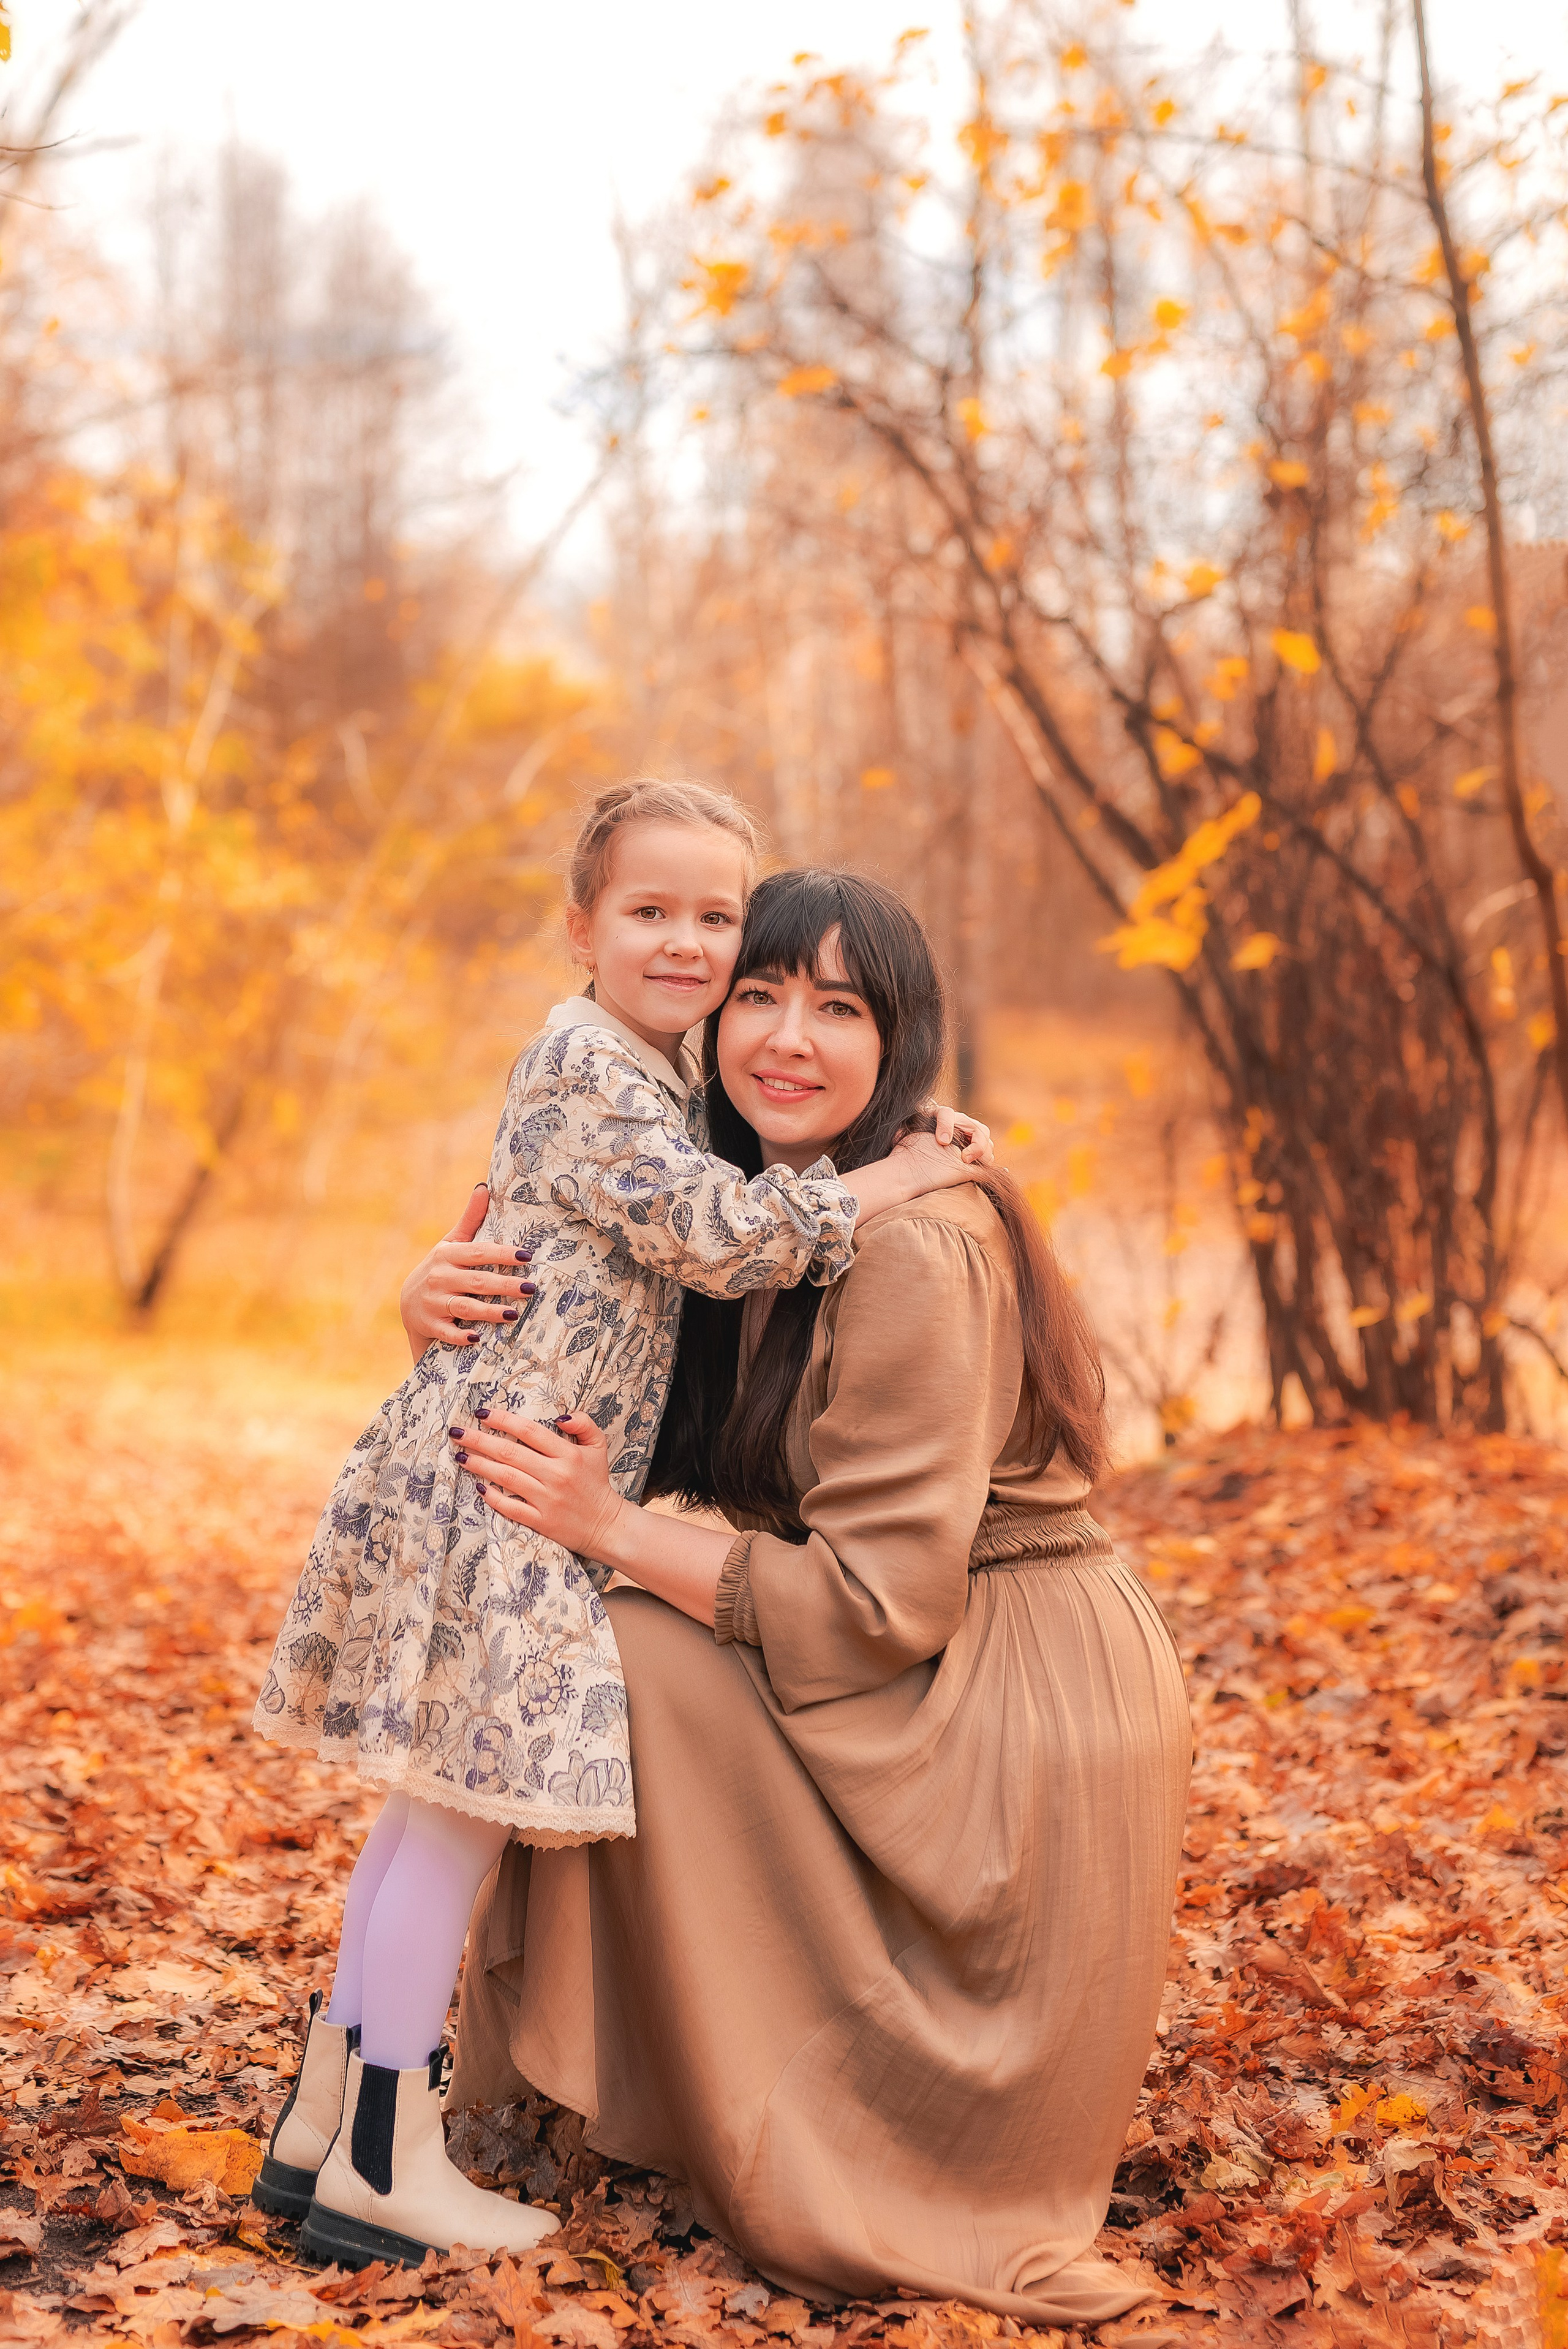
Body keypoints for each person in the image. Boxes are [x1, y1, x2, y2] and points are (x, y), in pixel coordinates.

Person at [249, 785, 988, 2269]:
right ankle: (387, 2157)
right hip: (509, 1494)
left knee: (419, 1820)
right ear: (579, 928)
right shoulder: (599, 1071)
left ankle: (327, 2126)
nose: (689, 943)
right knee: (451, 1825)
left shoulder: (642, 1078)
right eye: (650, 912)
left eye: (717, 917)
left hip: (495, 1471)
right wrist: (890, 1176)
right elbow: (716, 1239)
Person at [445, 869, 1191, 2328]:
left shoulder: (914, 1239)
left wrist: (607, 1528)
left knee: (629, 1652)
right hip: (929, 1652)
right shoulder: (759, 1222)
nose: (788, 1037)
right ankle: (482, 2094)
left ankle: (745, 2105)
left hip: (1004, 1700)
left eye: (838, 1008)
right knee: (582, 1627)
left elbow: (871, 1605)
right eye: (759, 997)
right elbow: (575, 1389)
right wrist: (432, 1299)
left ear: (897, 1039)